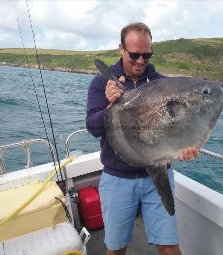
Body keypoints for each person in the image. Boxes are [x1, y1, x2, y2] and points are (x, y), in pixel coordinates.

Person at [86, 22, 199, 255]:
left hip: (158, 176)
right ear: (121, 49)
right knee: (116, 248)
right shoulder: (101, 83)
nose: (140, 61)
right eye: (135, 54)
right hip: (118, 178)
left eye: (146, 55)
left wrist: (186, 147)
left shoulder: (162, 84)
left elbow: (179, 124)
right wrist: (110, 106)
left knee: (169, 245)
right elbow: (92, 128)